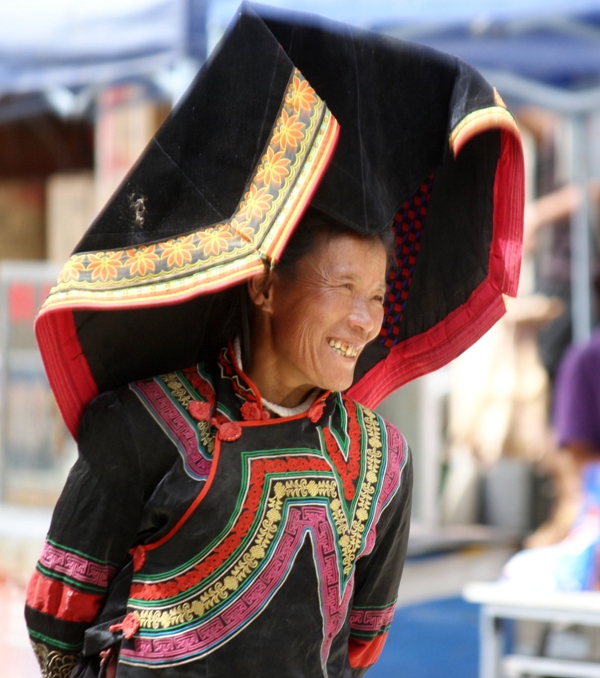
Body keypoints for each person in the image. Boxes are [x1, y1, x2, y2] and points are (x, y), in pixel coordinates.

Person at [25, 3, 524, 676]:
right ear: (263, 287)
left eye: (376, 298)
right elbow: (56, 626)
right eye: (343, 288)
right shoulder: (142, 425)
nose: (365, 321)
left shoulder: (381, 462)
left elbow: (359, 645)